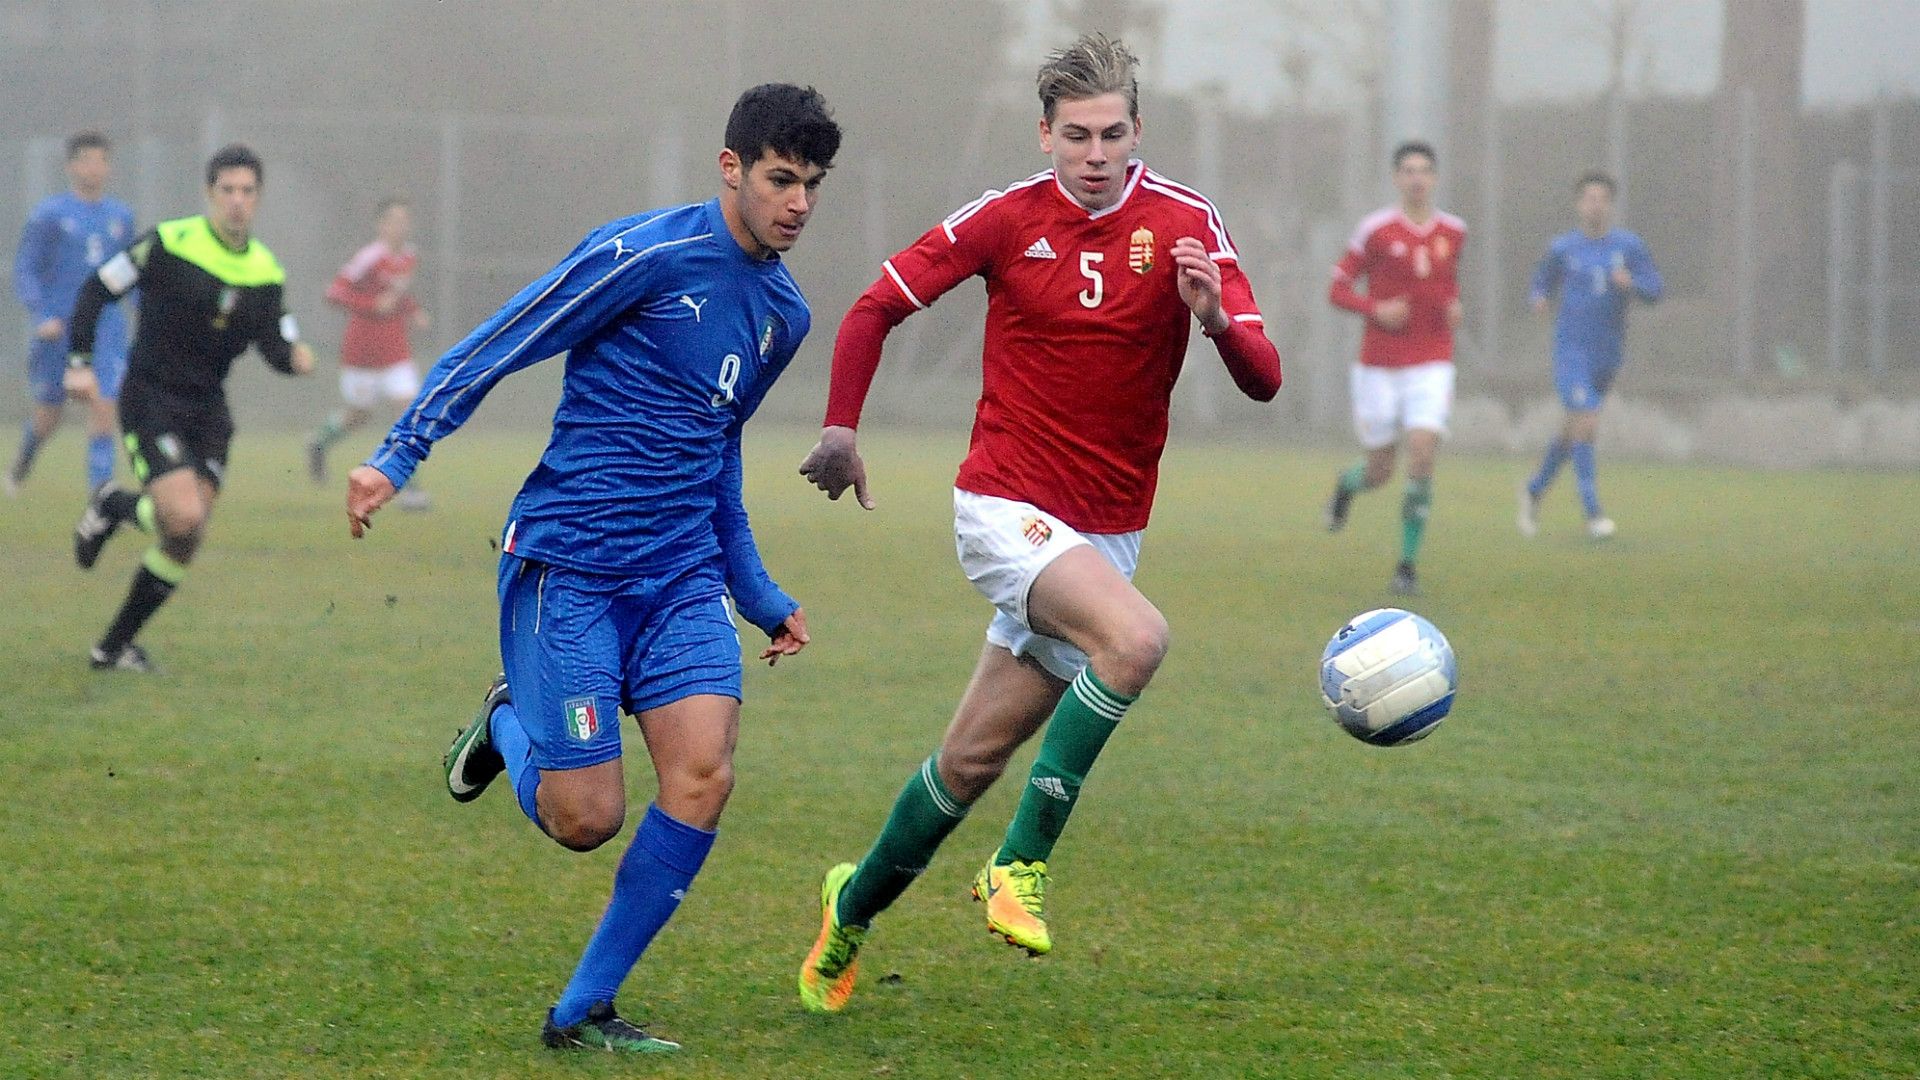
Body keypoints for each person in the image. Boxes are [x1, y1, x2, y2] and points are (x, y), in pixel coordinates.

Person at [794, 34, 1281, 1015]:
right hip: (1004, 507)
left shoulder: (1188, 224)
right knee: (1138, 638)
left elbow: (1266, 379)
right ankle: (1020, 865)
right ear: (1045, 134)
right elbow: (871, 309)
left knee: (967, 762)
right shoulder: (1004, 220)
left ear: (1137, 130)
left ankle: (851, 906)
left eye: (1111, 134)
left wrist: (1217, 320)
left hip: (1104, 537)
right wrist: (842, 427)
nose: (1094, 154)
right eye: (1075, 136)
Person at [346, 84, 837, 1053]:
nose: (799, 204)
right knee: (587, 819)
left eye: (813, 186)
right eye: (782, 179)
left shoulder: (785, 315)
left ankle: (582, 1012)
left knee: (702, 775)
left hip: (680, 578)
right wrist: (399, 455)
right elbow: (508, 338)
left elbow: (716, 457)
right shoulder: (645, 254)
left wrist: (756, 592)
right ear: (731, 168)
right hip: (568, 568)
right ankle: (502, 718)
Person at [68, 144, 314, 672]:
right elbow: (96, 290)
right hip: (151, 395)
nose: (237, 202)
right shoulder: (169, 242)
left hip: (209, 411)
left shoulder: (265, 271)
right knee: (183, 514)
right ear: (209, 194)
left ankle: (110, 649)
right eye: (227, 190)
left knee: (186, 536)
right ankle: (112, 506)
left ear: (259, 198)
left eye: (247, 191)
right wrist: (80, 361)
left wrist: (294, 357)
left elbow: (274, 345)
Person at [1323, 141, 1466, 596]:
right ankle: (1346, 489)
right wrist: (1375, 309)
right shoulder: (1377, 230)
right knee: (1380, 470)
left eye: (1424, 170)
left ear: (1436, 178)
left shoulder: (1454, 231)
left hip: (1432, 361)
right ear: (1395, 178)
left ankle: (1406, 564)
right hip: (1379, 365)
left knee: (1422, 452)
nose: (1417, 178)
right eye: (1408, 170)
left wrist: (1454, 306)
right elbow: (1337, 288)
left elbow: (1444, 285)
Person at [1519, 171, 1662, 539]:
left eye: (1602, 198)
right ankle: (1593, 513)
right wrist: (1538, 298)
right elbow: (1541, 280)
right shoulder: (1563, 248)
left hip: (1607, 354)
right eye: (1588, 198)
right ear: (1578, 204)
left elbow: (1655, 288)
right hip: (1571, 350)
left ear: (1610, 205)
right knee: (1586, 421)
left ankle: (1535, 489)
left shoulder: (1628, 247)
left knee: (1572, 432)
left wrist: (1633, 284)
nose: (1595, 205)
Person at [10, 131, 137, 496]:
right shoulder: (50, 215)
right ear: (70, 166)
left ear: (109, 168)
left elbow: (132, 274)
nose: (92, 168)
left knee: (103, 403)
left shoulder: (121, 218)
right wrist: (41, 314)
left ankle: (101, 494)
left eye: (100, 160)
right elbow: (27, 268)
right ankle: (22, 463)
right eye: (85, 160)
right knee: (48, 417)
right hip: (59, 328)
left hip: (106, 328)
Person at [306, 197, 432, 511]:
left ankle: (411, 491)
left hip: (396, 352)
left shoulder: (409, 257)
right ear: (381, 225)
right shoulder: (369, 258)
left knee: (409, 415)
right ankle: (319, 443)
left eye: (405, 220)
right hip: (362, 353)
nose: (400, 227)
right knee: (358, 415)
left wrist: (413, 311)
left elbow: (399, 295)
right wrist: (372, 306)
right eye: (393, 220)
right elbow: (334, 293)